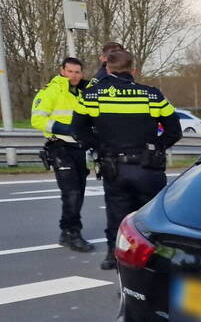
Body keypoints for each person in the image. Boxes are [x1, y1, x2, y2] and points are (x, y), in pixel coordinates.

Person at [71, 49, 181, 270]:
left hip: (115, 167)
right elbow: (174, 130)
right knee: (151, 215)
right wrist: (157, 147)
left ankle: (114, 254)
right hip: (148, 166)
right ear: (133, 69)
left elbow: (77, 130)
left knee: (117, 214)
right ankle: (156, 257)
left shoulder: (93, 95)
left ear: (108, 69)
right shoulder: (152, 95)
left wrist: (100, 146)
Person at [30, 57, 94, 252]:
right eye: (70, 71)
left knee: (79, 192)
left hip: (78, 148)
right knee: (72, 192)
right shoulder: (51, 91)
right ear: (62, 71)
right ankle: (72, 233)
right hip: (59, 146)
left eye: (77, 72)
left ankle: (67, 232)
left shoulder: (84, 92)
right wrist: (67, 129)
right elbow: (37, 119)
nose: (74, 76)